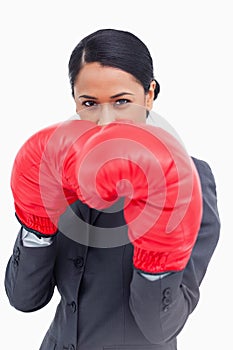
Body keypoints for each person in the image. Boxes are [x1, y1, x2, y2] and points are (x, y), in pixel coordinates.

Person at [4, 28, 220, 350]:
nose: (105, 122)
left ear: (149, 95)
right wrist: (37, 226)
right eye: (89, 103)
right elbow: (24, 299)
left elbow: (161, 327)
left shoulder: (189, 177)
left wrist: (156, 258)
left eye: (121, 101)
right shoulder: (58, 166)